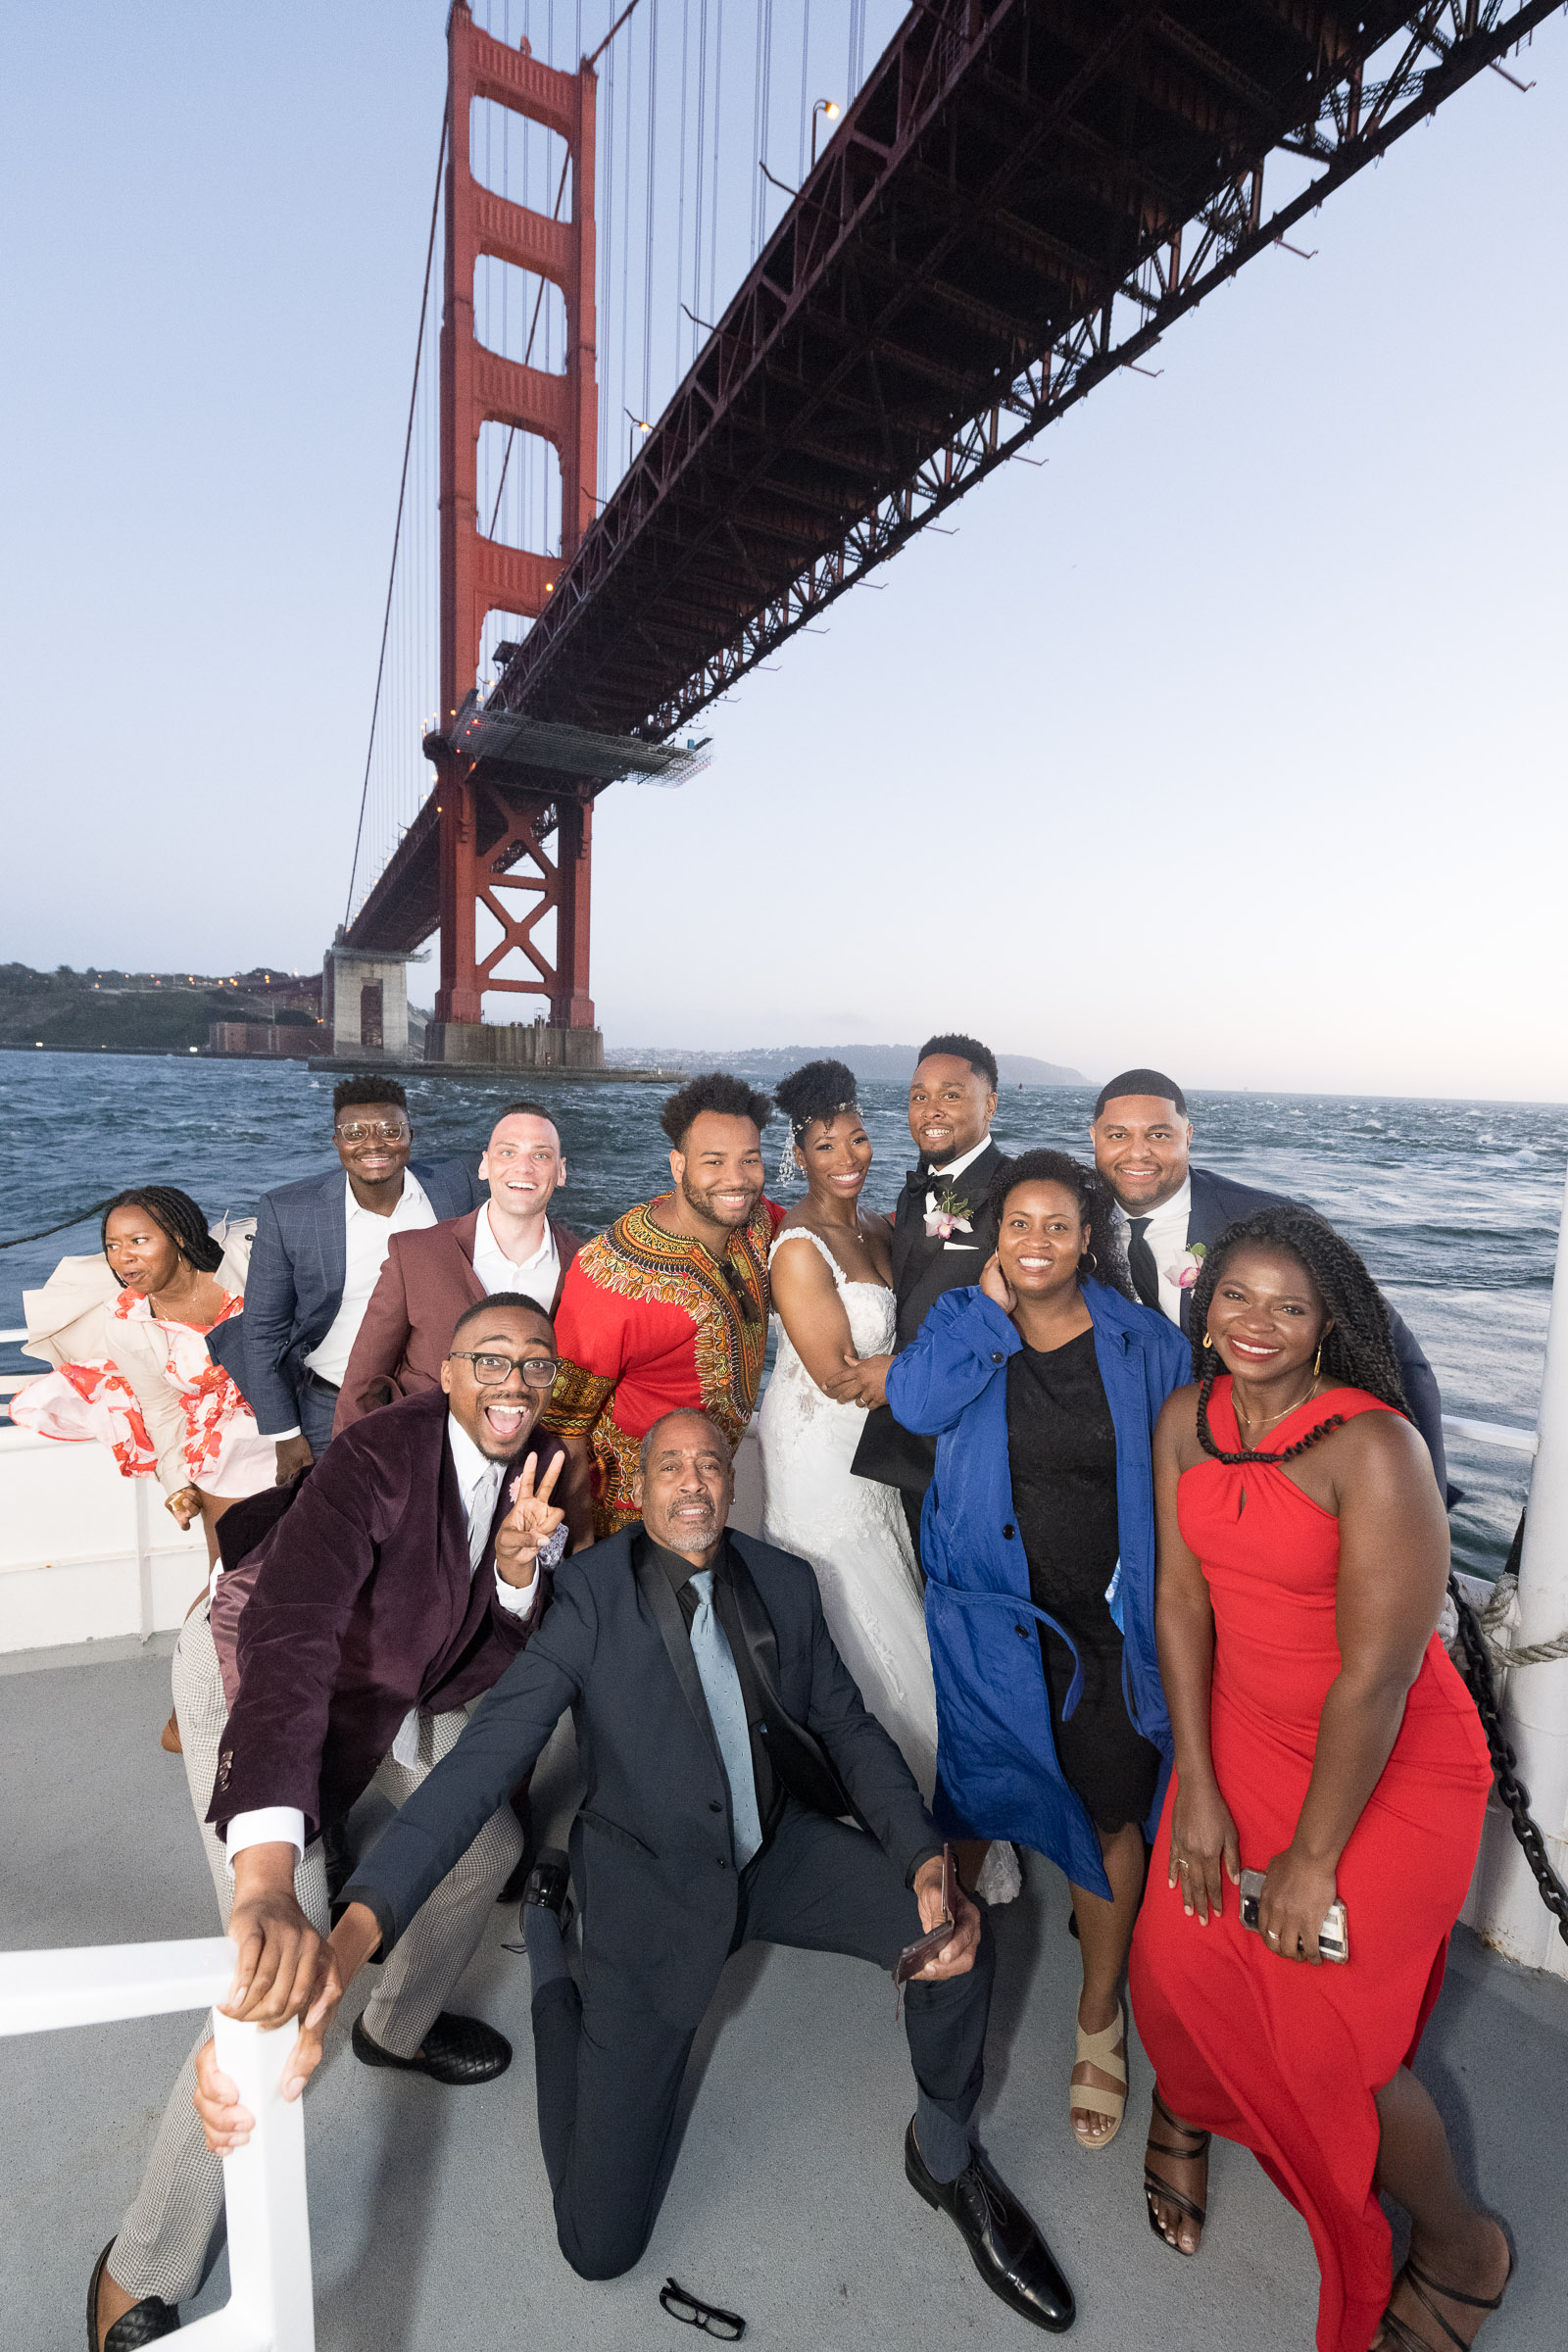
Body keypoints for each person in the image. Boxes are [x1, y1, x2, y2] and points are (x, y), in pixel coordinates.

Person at [199, 1408, 1078, 2334]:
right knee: (597, 2246)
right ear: (639, 1485)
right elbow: (479, 1766)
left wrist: (926, 1861)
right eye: (670, 1467)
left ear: (733, 1483)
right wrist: (352, 1936)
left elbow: (852, 1733)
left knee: (954, 1937)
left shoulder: (783, 1581)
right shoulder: (586, 1598)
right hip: (648, 1889)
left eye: (710, 1465)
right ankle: (548, 1942)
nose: (693, 1482)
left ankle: (944, 2158)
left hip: (775, 1850)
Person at [88, 1294, 566, 2352]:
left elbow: (471, 1659)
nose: (515, 1381)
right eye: (491, 1358)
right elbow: (293, 1632)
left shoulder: (541, 1467)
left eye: (536, 1364)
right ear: (444, 1371)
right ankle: (144, 2261)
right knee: (276, 1968)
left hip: (387, 1696)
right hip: (254, 1683)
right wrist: (264, 1876)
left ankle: (395, 2031)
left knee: (486, 1844)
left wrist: (522, 1571)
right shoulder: (375, 1458)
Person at [1127, 1205, 1505, 2352]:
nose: (1257, 1323)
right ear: (1205, 1305)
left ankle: (1458, 2246)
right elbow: (1181, 1600)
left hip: (1381, 1765)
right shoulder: (1187, 1417)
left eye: (1289, 1306)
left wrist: (1309, 1859)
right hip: (1237, 1728)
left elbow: (1377, 1683)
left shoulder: (1374, 1448)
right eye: (1236, 1297)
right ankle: (1189, 2109)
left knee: (1333, 2036)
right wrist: (1195, 1781)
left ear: (1328, 1323)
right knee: (1175, 1955)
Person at [887, 1152, 1189, 2148]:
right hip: (989, 1618)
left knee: (1111, 1811)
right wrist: (979, 1313)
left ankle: (1099, 2011)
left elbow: (1178, 1482)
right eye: (1018, 1224)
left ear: (1087, 1235)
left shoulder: (1144, 1342)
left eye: (1056, 1226)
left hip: (1109, 1631)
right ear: (994, 1233)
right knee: (973, 1804)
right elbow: (915, 1408)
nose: (1034, 1244)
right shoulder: (963, 1325)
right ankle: (949, 2000)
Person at [1088, 1068, 1452, 1498]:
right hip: (1138, 1467)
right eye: (1118, 1136)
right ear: (1094, 1137)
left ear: (1189, 1135)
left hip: (1272, 1464)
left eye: (1159, 1135)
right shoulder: (1074, 1223)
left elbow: (1393, 1351)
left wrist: (1423, 1493)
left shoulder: (1267, 1223)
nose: (1138, 1154)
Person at [759, 1059, 936, 1791]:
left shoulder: (876, 1224)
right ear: (796, 1158)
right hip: (819, 1446)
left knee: (891, 1578)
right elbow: (836, 1375)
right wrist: (947, 1366)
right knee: (852, 1599)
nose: (846, 1158)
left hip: (876, 1441)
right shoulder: (800, 1248)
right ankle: (876, 1783)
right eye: (825, 1147)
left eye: (856, 1139)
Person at [543, 1073, 783, 1540]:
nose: (736, 1178)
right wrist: (587, 1554)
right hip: (626, 1523)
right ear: (678, 1165)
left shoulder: (756, 1220)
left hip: (707, 1504)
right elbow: (565, 1426)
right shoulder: (610, 1275)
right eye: (713, 1161)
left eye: (749, 1160)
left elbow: (819, 1236)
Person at [16, 1186, 273, 1568]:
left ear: (179, 1237)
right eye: (112, 1246)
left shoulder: (246, 1267)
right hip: (228, 1456)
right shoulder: (126, 1324)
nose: (123, 1258)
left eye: (138, 1240)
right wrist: (177, 1484)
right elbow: (161, 1409)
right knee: (233, 1581)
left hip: (303, 1431)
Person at [241, 1077, 482, 1479]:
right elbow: (262, 1328)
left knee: (440, 1528)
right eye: (355, 1133)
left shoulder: (455, 1185)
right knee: (338, 1533)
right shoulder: (290, 1212)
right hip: (329, 1405)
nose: (374, 1144)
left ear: (410, 1136)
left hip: (440, 1402)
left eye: (390, 1131)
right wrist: (285, 1433)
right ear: (336, 1142)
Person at [849, 1034, 1009, 1567]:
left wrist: (899, 1375)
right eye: (919, 1096)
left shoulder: (1015, 1193)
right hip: (913, 1445)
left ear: (990, 1104)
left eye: (951, 1095)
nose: (930, 1110)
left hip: (974, 1444)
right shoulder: (916, 1189)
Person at [334, 1099, 581, 1434]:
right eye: (508, 1152)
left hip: (531, 1466)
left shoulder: (585, 1267)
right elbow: (362, 1387)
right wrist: (352, 1477)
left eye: (541, 1155)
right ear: (484, 1166)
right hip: (421, 1458)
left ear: (561, 1171)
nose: (524, 1168)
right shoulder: (416, 1255)